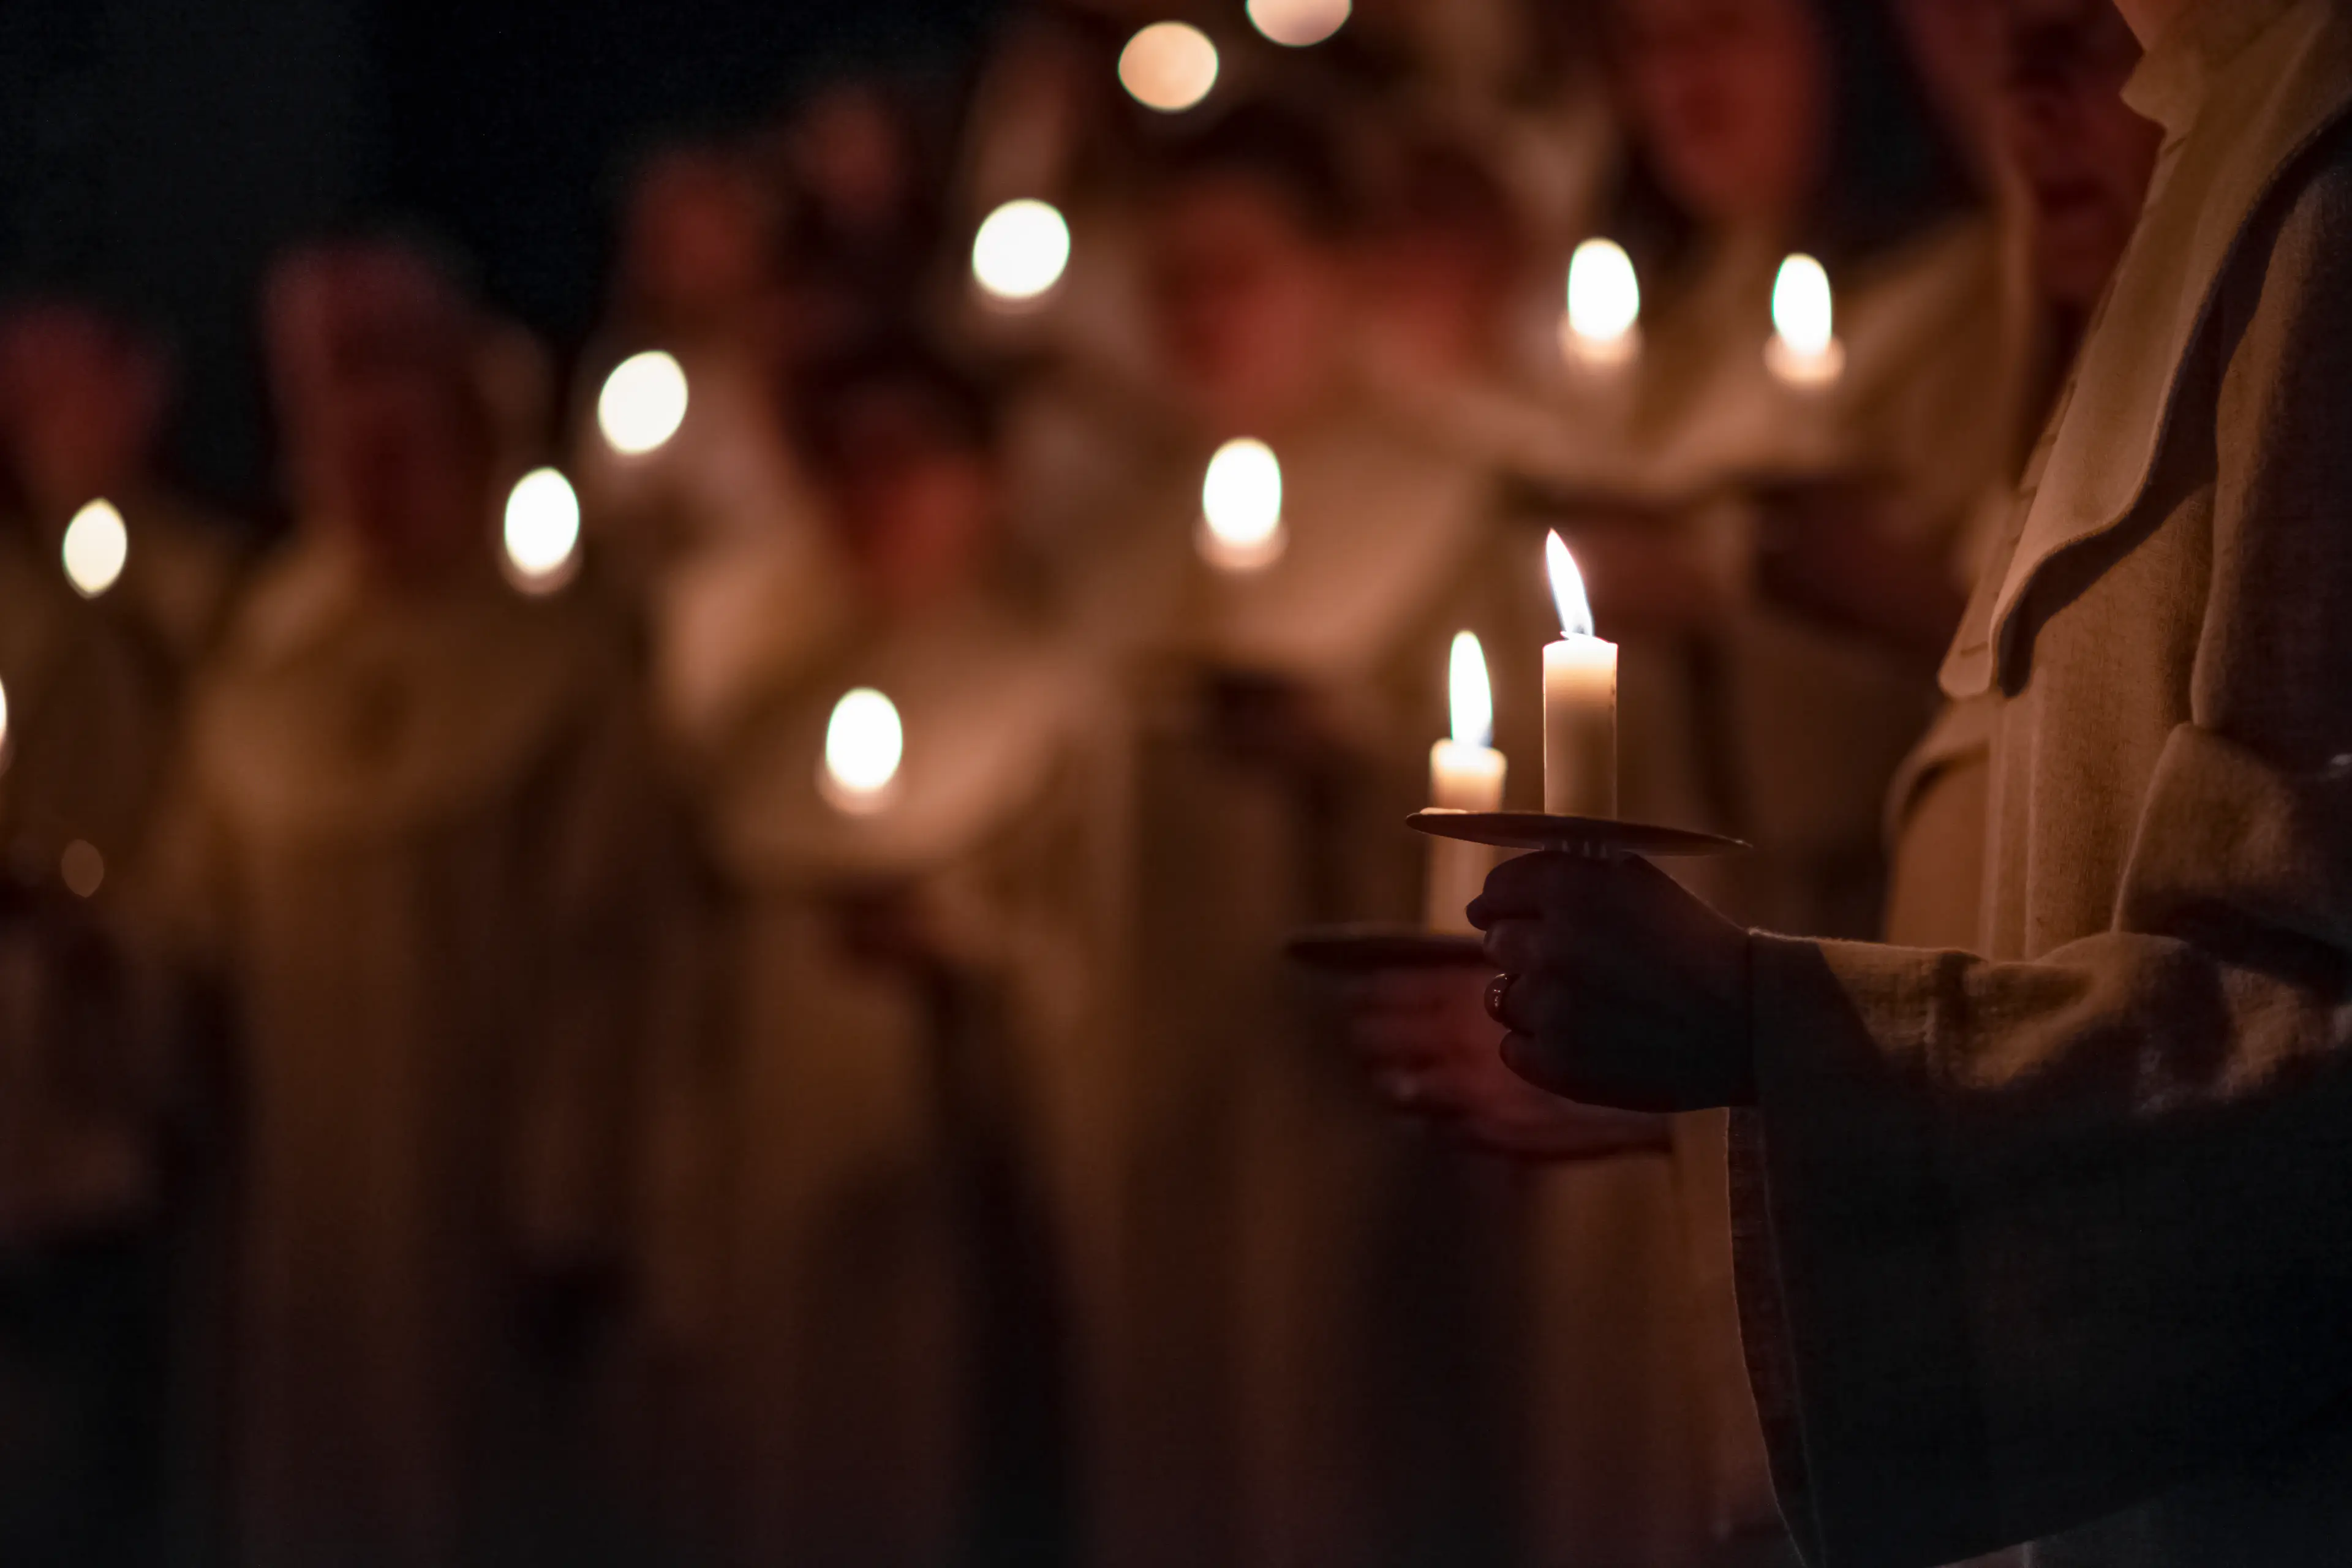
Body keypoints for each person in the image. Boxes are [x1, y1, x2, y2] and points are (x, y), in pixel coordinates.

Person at [1469, 0, 2352, 1561]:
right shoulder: (2220, 142)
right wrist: (1722, 1081)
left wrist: (1775, 1027)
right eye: (1976, 23)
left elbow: (2302, 1023)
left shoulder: (2306, 177)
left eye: (2065, 28)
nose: (2019, 79)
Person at [148, 239, 687, 1568]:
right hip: (299, 1200)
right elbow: (187, 926)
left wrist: (570, 1194)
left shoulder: (561, 676)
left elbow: (603, 952)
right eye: (350, 457)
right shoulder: (266, 674)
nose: (378, 489)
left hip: (475, 1191)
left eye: (407, 455)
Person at [697, 339, 1116, 1568]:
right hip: (782, 1167)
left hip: (953, 1165)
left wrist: (973, 940)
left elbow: (1100, 943)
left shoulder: (1048, 690)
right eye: (850, 464)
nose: (875, 494)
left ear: (987, 482)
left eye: (910, 460)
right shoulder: (765, 700)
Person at [0, 300, 244, 679]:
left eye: (73, 390)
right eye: (39, 399)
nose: (63, 428)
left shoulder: (203, 572)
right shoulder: (16, 584)